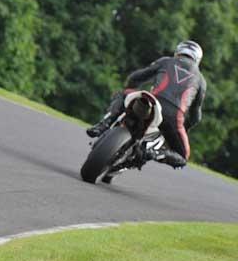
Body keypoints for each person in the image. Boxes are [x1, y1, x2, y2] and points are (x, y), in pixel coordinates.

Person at [86, 40, 207, 168]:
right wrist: (184, 127)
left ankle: (103, 124)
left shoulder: (166, 61)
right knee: (183, 156)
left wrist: (130, 89)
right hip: (174, 117)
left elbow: (136, 77)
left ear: (178, 52)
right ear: (197, 59)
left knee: (123, 94)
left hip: (151, 102)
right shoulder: (201, 80)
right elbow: (196, 116)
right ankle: (155, 153)